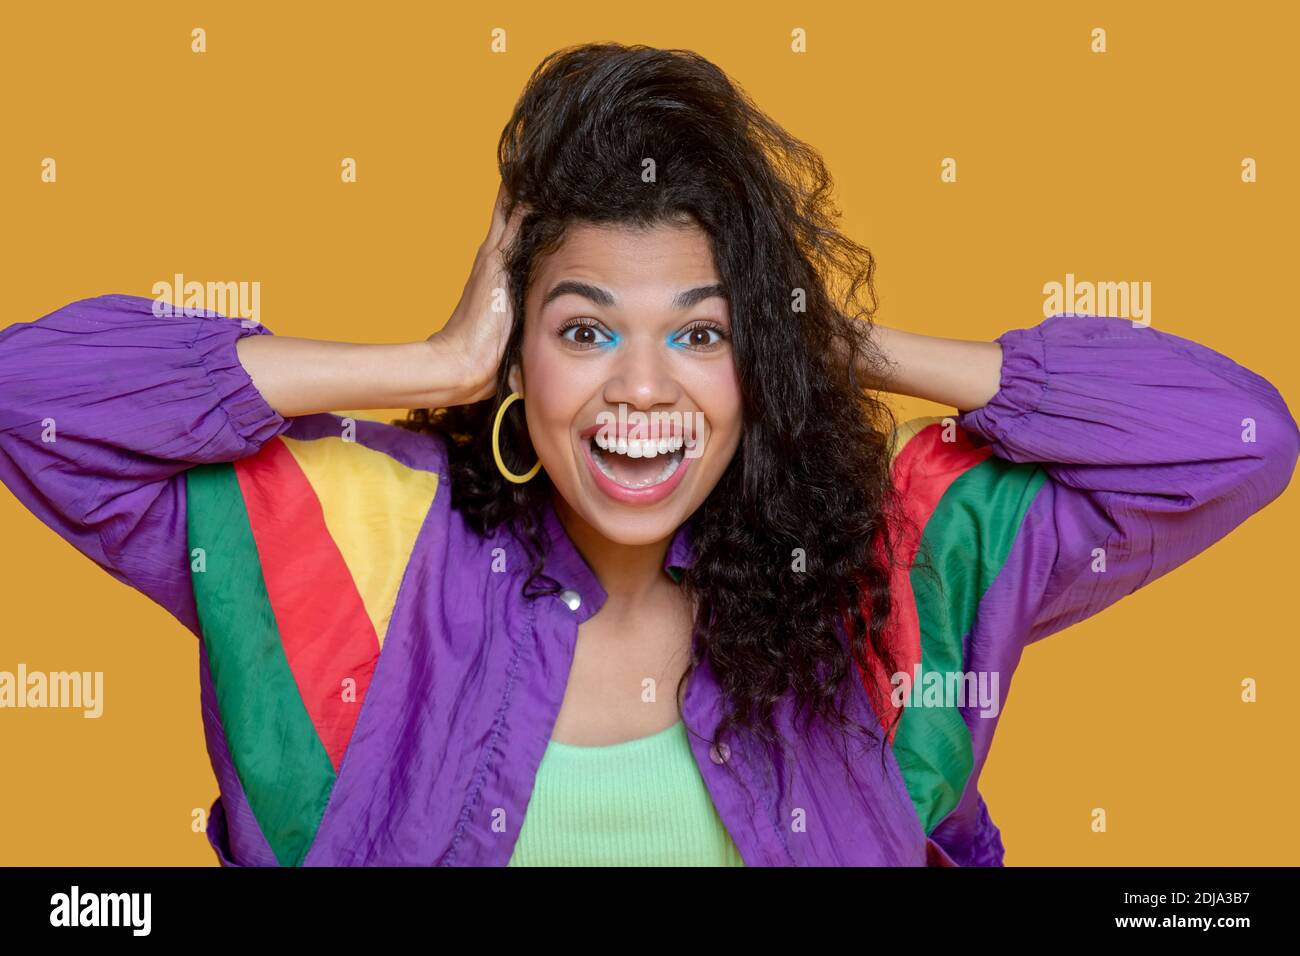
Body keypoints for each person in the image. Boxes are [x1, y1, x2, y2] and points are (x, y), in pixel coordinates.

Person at [1, 43, 1296, 867]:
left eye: (701, 332)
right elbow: (29, 396)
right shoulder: (360, 543)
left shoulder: (875, 574)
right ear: (521, 351)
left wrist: (838, 339)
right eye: (582, 328)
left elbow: (1230, 440)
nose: (638, 387)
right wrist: (428, 366)